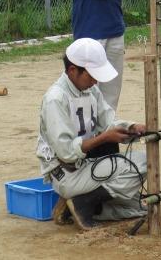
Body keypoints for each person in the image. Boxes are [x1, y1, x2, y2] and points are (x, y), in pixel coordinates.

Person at [36, 38, 147, 230]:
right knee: (136, 169)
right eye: (91, 75)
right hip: (65, 172)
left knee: (138, 207)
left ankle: (83, 205)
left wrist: (132, 127)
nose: (95, 81)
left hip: (86, 165)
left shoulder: (91, 90)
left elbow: (108, 122)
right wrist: (104, 138)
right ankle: (82, 202)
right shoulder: (56, 98)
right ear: (73, 71)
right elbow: (66, 152)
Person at [67, 0, 136, 111]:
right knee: (88, 91)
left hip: (115, 30)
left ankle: (108, 131)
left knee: (112, 92)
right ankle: (90, 133)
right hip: (90, 33)